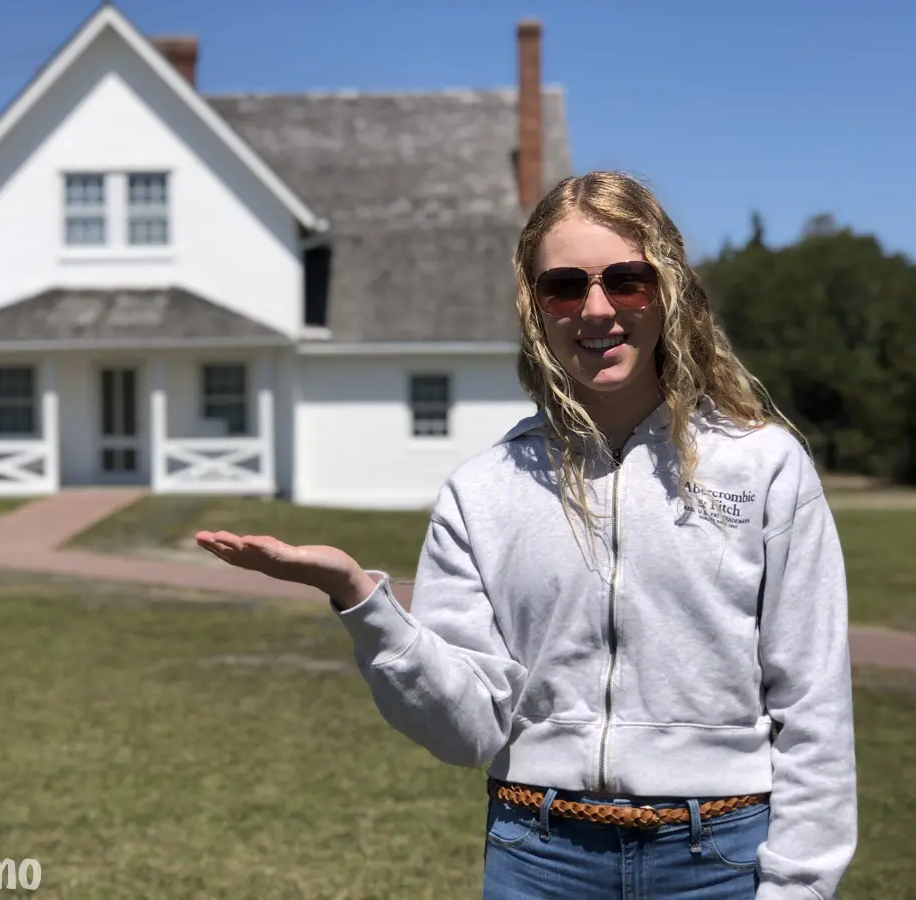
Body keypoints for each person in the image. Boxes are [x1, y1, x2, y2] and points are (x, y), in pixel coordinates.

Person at [195, 171, 857, 899]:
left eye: (626, 280)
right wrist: (362, 602)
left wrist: (800, 886)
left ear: (667, 290)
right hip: (539, 856)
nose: (596, 309)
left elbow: (813, 703)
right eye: (564, 288)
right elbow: (466, 732)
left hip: (722, 857)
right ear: (536, 308)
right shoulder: (485, 492)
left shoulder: (762, 466)